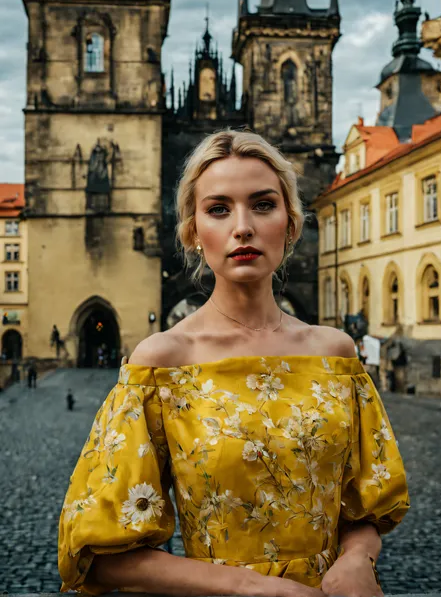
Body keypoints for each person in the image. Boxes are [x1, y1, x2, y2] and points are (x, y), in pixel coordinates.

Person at [58, 130, 410, 597]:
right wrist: (249, 585)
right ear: (192, 231)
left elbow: (365, 512)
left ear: (290, 223)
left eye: (263, 205)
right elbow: (99, 558)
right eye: (219, 209)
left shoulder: (336, 355)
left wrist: (357, 557)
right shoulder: (160, 364)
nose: (242, 226)